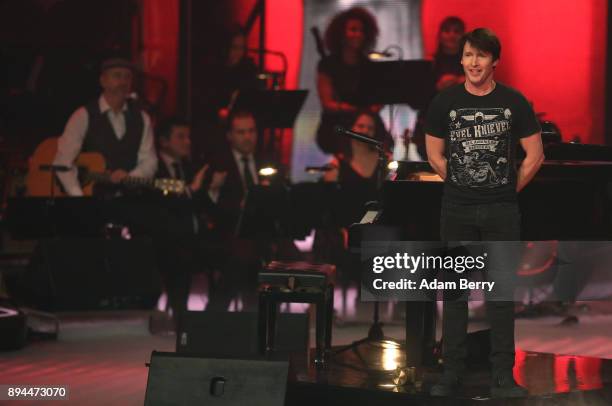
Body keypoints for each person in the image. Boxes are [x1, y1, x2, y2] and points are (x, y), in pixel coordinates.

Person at [425, 28, 544, 398]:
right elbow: (434, 154)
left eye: (482, 56)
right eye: (468, 55)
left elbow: (535, 155)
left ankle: (503, 376)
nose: (474, 63)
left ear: (495, 61)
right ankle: (451, 372)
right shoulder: (444, 102)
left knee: (501, 296)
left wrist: (505, 190)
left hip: (501, 210)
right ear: (461, 60)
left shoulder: (515, 102)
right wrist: (462, 183)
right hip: (456, 209)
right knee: (456, 295)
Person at [53, 58, 157, 196]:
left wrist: (131, 176)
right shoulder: (83, 116)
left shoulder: (142, 118)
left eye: (127, 77)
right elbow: (63, 162)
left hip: (130, 200)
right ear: (103, 81)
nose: (123, 82)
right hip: (93, 200)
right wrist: (78, 196)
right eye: (117, 75)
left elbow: (150, 160)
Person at [205, 109, 265, 311]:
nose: (248, 137)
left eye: (251, 131)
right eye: (241, 132)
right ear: (230, 136)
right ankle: (217, 317)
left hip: (265, 234)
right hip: (229, 235)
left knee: (294, 257)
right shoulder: (218, 164)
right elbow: (208, 207)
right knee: (242, 257)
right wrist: (214, 189)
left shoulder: (267, 160)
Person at [316, 7, 386, 156]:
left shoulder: (369, 65)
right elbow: (327, 103)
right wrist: (352, 109)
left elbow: (379, 98)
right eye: (353, 30)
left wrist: (370, 110)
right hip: (338, 126)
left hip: (366, 125)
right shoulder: (328, 65)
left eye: (361, 31)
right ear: (341, 34)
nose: (358, 35)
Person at [193, 26, 259, 158]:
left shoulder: (248, 69)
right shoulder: (212, 70)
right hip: (218, 128)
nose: (238, 53)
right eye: (234, 48)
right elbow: (205, 103)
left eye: (241, 48)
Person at [433, 16, 466, 91]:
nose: (452, 35)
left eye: (457, 32)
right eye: (447, 31)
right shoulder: (431, 62)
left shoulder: (472, 62)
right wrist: (438, 86)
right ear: (440, 36)